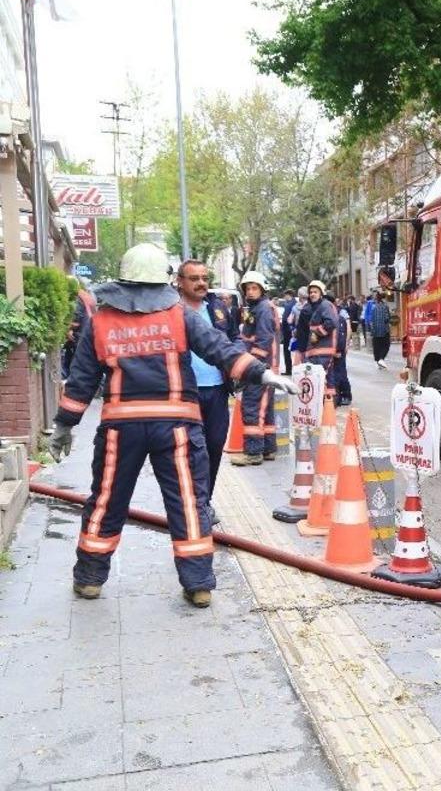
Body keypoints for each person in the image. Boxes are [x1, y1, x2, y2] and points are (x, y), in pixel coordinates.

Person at [47, 244, 298, 608]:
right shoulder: (179, 315)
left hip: (121, 429)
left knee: (106, 500)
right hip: (176, 427)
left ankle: (89, 579)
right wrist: (264, 373)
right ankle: (198, 584)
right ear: (163, 281)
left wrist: (64, 425)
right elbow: (219, 349)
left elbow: (82, 379)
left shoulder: (101, 321)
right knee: (187, 502)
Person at [175, 260, 237, 519]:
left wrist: (237, 362)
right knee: (189, 451)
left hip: (217, 390)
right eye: (194, 278)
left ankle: (204, 501)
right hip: (185, 392)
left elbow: (236, 339)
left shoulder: (218, 307)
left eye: (204, 277)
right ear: (180, 282)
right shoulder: (170, 310)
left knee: (213, 447)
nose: (201, 283)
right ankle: (190, 504)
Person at [231, 271, 279, 466]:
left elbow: (264, 340)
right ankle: (268, 449)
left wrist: (250, 366)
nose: (250, 292)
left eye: (254, 288)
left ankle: (253, 452)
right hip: (264, 366)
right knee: (264, 409)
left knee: (251, 407)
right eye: (247, 288)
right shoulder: (258, 308)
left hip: (259, 366)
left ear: (262, 289)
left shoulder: (263, 309)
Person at [304, 280, 339, 381]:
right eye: (311, 292)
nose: (312, 294)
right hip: (318, 351)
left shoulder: (325, 305)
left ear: (321, 293)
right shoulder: (318, 306)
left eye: (315, 292)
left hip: (323, 351)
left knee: (319, 380)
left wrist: (317, 333)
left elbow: (331, 323)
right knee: (322, 381)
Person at [61, 284, 96, 376]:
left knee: (74, 365)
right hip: (87, 332)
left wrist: (68, 329)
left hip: (79, 335)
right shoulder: (86, 296)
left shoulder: (77, 298)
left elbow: (76, 318)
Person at [370, 292, 391, 369]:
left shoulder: (373, 308)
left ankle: (378, 360)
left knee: (377, 346)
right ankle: (381, 359)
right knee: (386, 345)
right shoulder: (385, 307)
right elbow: (387, 318)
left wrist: (372, 330)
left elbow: (371, 320)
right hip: (384, 330)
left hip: (375, 331)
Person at [280, 289, 296, 375]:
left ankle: (288, 370)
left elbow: (285, 319)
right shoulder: (295, 303)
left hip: (288, 331)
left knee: (287, 351)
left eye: (285, 295)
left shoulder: (288, 305)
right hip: (293, 330)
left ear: (289, 295)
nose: (284, 297)